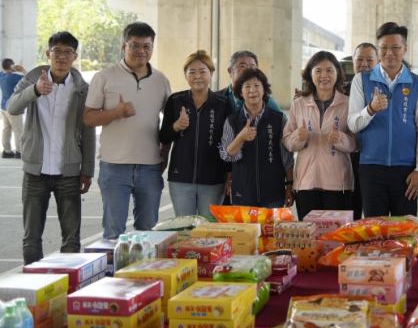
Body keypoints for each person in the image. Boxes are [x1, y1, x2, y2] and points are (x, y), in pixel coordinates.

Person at [7, 32, 94, 264]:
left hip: (68, 174)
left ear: (75, 56)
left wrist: (87, 171)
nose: (62, 57)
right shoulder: (33, 79)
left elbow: (88, 131)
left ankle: (69, 282)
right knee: (31, 238)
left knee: (71, 239)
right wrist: (35, 90)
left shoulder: (82, 89)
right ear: (48, 53)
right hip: (35, 172)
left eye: (68, 52)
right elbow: (12, 107)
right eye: (57, 51)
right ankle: (34, 283)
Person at [84, 22, 172, 239]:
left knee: (148, 232)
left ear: (152, 48)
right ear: (124, 47)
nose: (141, 51)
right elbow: (88, 117)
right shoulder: (104, 77)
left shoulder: (161, 80)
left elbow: (170, 122)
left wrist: (165, 153)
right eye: (135, 45)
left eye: (147, 46)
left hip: (150, 167)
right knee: (113, 233)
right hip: (115, 167)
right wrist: (116, 112)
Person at [348, 22, 418, 218]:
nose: (389, 53)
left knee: (405, 229)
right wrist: (370, 109)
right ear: (378, 50)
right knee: (374, 229)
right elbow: (353, 124)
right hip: (371, 167)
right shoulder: (362, 80)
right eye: (384, 47)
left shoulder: (417, 83)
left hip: (406, 170)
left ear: (405, 49)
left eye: (395, 47)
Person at [283, 51, 357, 220]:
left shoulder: (348, 104)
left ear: (337, 73)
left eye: (329, 70)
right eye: (318, 71)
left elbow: (356, 142)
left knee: (336, 234)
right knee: (309, 234)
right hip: (306, 183)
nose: (324, 75)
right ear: (310, 74)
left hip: (338, 184)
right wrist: (297, 137)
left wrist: (341, 139)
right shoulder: (299, 104)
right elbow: (287, 141)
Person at [159, 50, 232, 218]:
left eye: (202, 71)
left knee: (208, 228)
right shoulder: (176, 100)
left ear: (211, 74)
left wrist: (229, 176)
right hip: (181, 179)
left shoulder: (223, 103)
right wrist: (176, 126)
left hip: (214, 180)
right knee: (185, 227)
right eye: (192, 72)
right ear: (185, 75)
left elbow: (229, 143)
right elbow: (163, 137)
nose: (197, 76)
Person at [220, 67, 295, 208]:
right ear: (240, 92)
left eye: (256, 85)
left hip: (273, 192)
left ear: (264, 90)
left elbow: (287, 157)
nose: (252, 90)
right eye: (247, 86)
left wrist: (289, 185)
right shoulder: (232, 121)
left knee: (271, 224)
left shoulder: (279, 119)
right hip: (243, 192)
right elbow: (226, 155)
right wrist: (241, 137)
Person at [343, 43, 379, 219]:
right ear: (353, 61)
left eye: (369, 60)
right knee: (351, 209)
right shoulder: (341, 90)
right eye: (359, 59)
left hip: (373, 158)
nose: (364, 64)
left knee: (374, 214)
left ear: (378, 62)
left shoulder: (383, 89)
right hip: (347, 159)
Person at [218, 50, 284, 115]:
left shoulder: (266, 101)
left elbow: (285, 121)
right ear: (230, 71)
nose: (248, 70)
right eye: (242, 66)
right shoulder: (216, 98)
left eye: (252, 66)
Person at [0, 58, 26, 158]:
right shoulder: (14, 77)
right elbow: (30, 79)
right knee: (18, 129)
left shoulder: (1, 75)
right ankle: (19, 151)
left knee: (6, 129)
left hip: (3, 106)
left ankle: (7, 151)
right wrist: (22, 69)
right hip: (14, 107)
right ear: (11, 66)